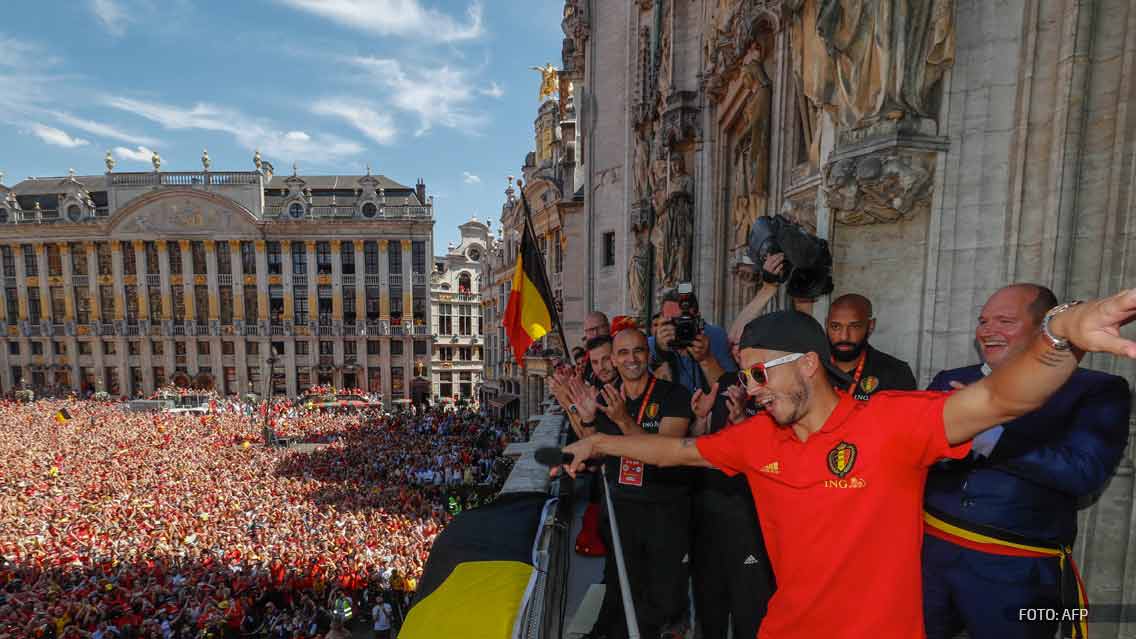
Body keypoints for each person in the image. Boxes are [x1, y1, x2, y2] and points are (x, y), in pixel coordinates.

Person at [556, 289, 1136, 639]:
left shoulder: (890, 422)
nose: (750, 388)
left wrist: (1060, 334)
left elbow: (1001, 399)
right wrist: (600, 444)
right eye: (745, 376)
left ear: (807, 364)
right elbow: (680, 451)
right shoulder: (758, 439)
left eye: (760, 373)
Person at [922, 284, 1130, 639]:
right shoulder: (949, 380)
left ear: (1043, 329)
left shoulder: (1097, 389)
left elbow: (1082, 473)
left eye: (1004, 320)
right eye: (983, 320)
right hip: (927, 559)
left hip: (1018, 572)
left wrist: (988, 436)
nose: (988, 330)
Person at [568, 328, 694, 639]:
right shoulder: (605, 399)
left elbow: (667, 451)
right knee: (621, 587)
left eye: (638, 351)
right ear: (613, 360)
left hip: (664, 510)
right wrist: (586, 420)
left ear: (648, 355)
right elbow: (593, 449)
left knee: (663, 598)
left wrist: (624, 420)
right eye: (623, 353)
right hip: (621, 510)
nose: (631, 359)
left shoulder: (673, 395)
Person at [826, 293, 917, 398]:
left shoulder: (897, 373)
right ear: (826, 324)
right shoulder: (810, 368)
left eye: (855, 327)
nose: (844, 337)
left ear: (871, 326)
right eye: (835, 326)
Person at [651, 287, 736, 393]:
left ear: (697, 318)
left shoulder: (714, 336)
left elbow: (731, 391)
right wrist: (661, 353)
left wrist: (706, 359)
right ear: (660, 320)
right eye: (670, 321)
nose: (677, 327)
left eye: (682, 320)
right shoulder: (650, 345)